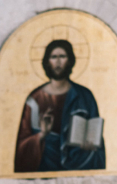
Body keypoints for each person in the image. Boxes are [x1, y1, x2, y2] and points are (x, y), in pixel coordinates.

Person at [14, 39, 106, 172]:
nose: (58, 62)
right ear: (47, 61)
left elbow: (96, 136)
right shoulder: (34, 99)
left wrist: (91, 145)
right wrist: (42, 135)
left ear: (70, 60)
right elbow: (22, 146)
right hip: (44, 166)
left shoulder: (85, 96)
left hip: (78, 164)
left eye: (62, 56)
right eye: (53, 57)